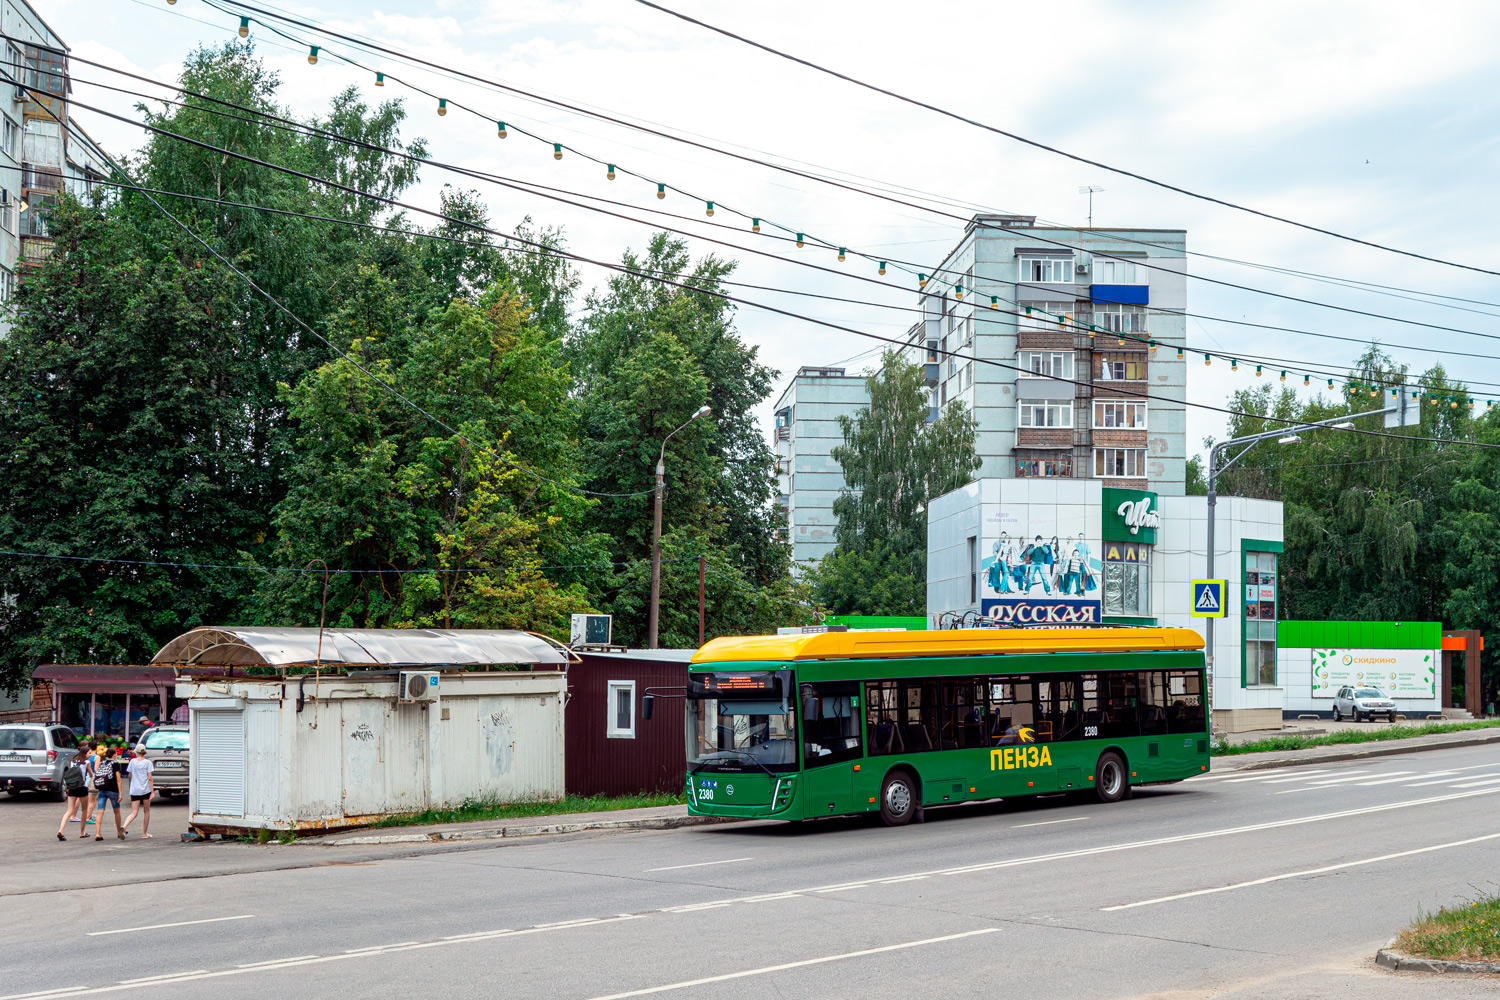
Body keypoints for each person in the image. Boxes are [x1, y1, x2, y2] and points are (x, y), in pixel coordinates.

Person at [55, 742, 95, 841]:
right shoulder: (87, 763)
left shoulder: (73, 761)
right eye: (89, 753)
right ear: (85, 754)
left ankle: (61, 830)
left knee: (69, 811)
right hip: (82, 787)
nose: (91, 755)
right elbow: (90, 774)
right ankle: (82, 832)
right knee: (84, 810)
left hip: (72, 787)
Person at [90, 747, 126, 841]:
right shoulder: (116, 764)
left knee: (100, 811)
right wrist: (120, 793)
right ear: (114, 755)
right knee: (116, 811)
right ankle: (118, 832)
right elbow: (118, 779)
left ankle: (98, 833)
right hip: (113, 790)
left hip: (102, 789)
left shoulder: (102, 763)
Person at [121, 746, 155, 838]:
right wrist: (152, 791)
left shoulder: (132, 762)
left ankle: (124, 826)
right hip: (145, 790)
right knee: (146, 811)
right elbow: (150, 778)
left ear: (137, 752)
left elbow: (130, 775)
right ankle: (144, 833)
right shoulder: (148, 763)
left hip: (135, 789)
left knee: (134, 812)